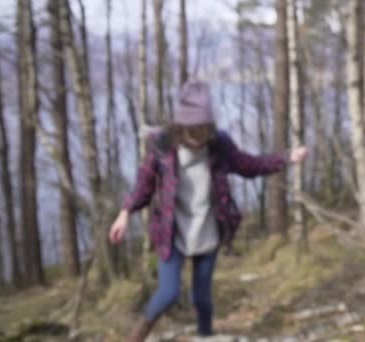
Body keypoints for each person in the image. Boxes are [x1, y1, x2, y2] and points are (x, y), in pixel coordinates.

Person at [108, 80, 308, 341]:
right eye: (193, 131)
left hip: (208, 230)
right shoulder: (161, 148)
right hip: (172, 233)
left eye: (204, 130)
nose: (198, 137)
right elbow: (144, 187)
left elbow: (250, 165)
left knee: (201, 297)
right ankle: (136, 337)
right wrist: (125, 213)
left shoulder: (220, 145)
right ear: (180, 127)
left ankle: (205, 336)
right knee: (168, 293)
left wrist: (286, 158)